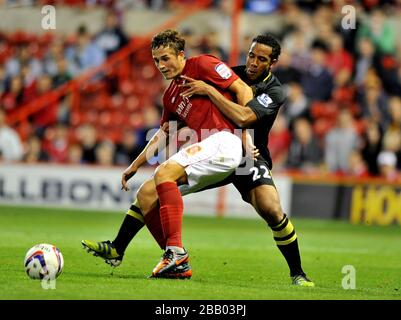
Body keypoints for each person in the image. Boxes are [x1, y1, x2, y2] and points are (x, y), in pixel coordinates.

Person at [83, 33, 315, 286]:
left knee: (271, 209)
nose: (253, 62)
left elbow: (246, 115)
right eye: (251, 55)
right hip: (215, 146)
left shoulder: (275, 91)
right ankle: (127, 248)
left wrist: (216, 100)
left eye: (261, 59)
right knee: (149, 192)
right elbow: (166, 131)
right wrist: (134, 166)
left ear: (272, 63)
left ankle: (298, 274)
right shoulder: (223, 73)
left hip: (249, 155)